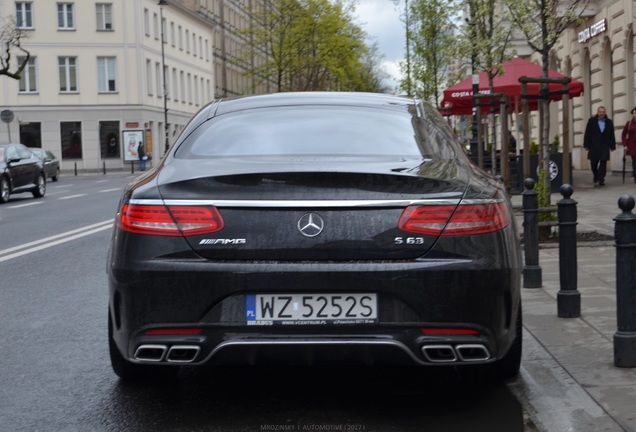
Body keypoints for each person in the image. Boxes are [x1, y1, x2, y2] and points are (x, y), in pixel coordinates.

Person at [584, 106, 616, 186]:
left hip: (605, 145)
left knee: (603, 162)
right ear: (597, 113)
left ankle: (601, 179)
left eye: (603, 112)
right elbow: (587, 133)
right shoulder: (592, 121)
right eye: (600, 112)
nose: (601, 113)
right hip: (594, 145)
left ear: (605, 113)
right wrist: (586, 144)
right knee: (593, 162)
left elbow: (612, 134)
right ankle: (596, 175)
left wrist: (612, 146)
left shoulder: (609, 122)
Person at [621, 107, 636, 183]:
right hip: (632, 146)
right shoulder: (629, 123)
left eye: (635, 113)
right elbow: (623, 134)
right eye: (633, 113)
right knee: (635, 161)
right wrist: (625, 145)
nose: (634, 115)